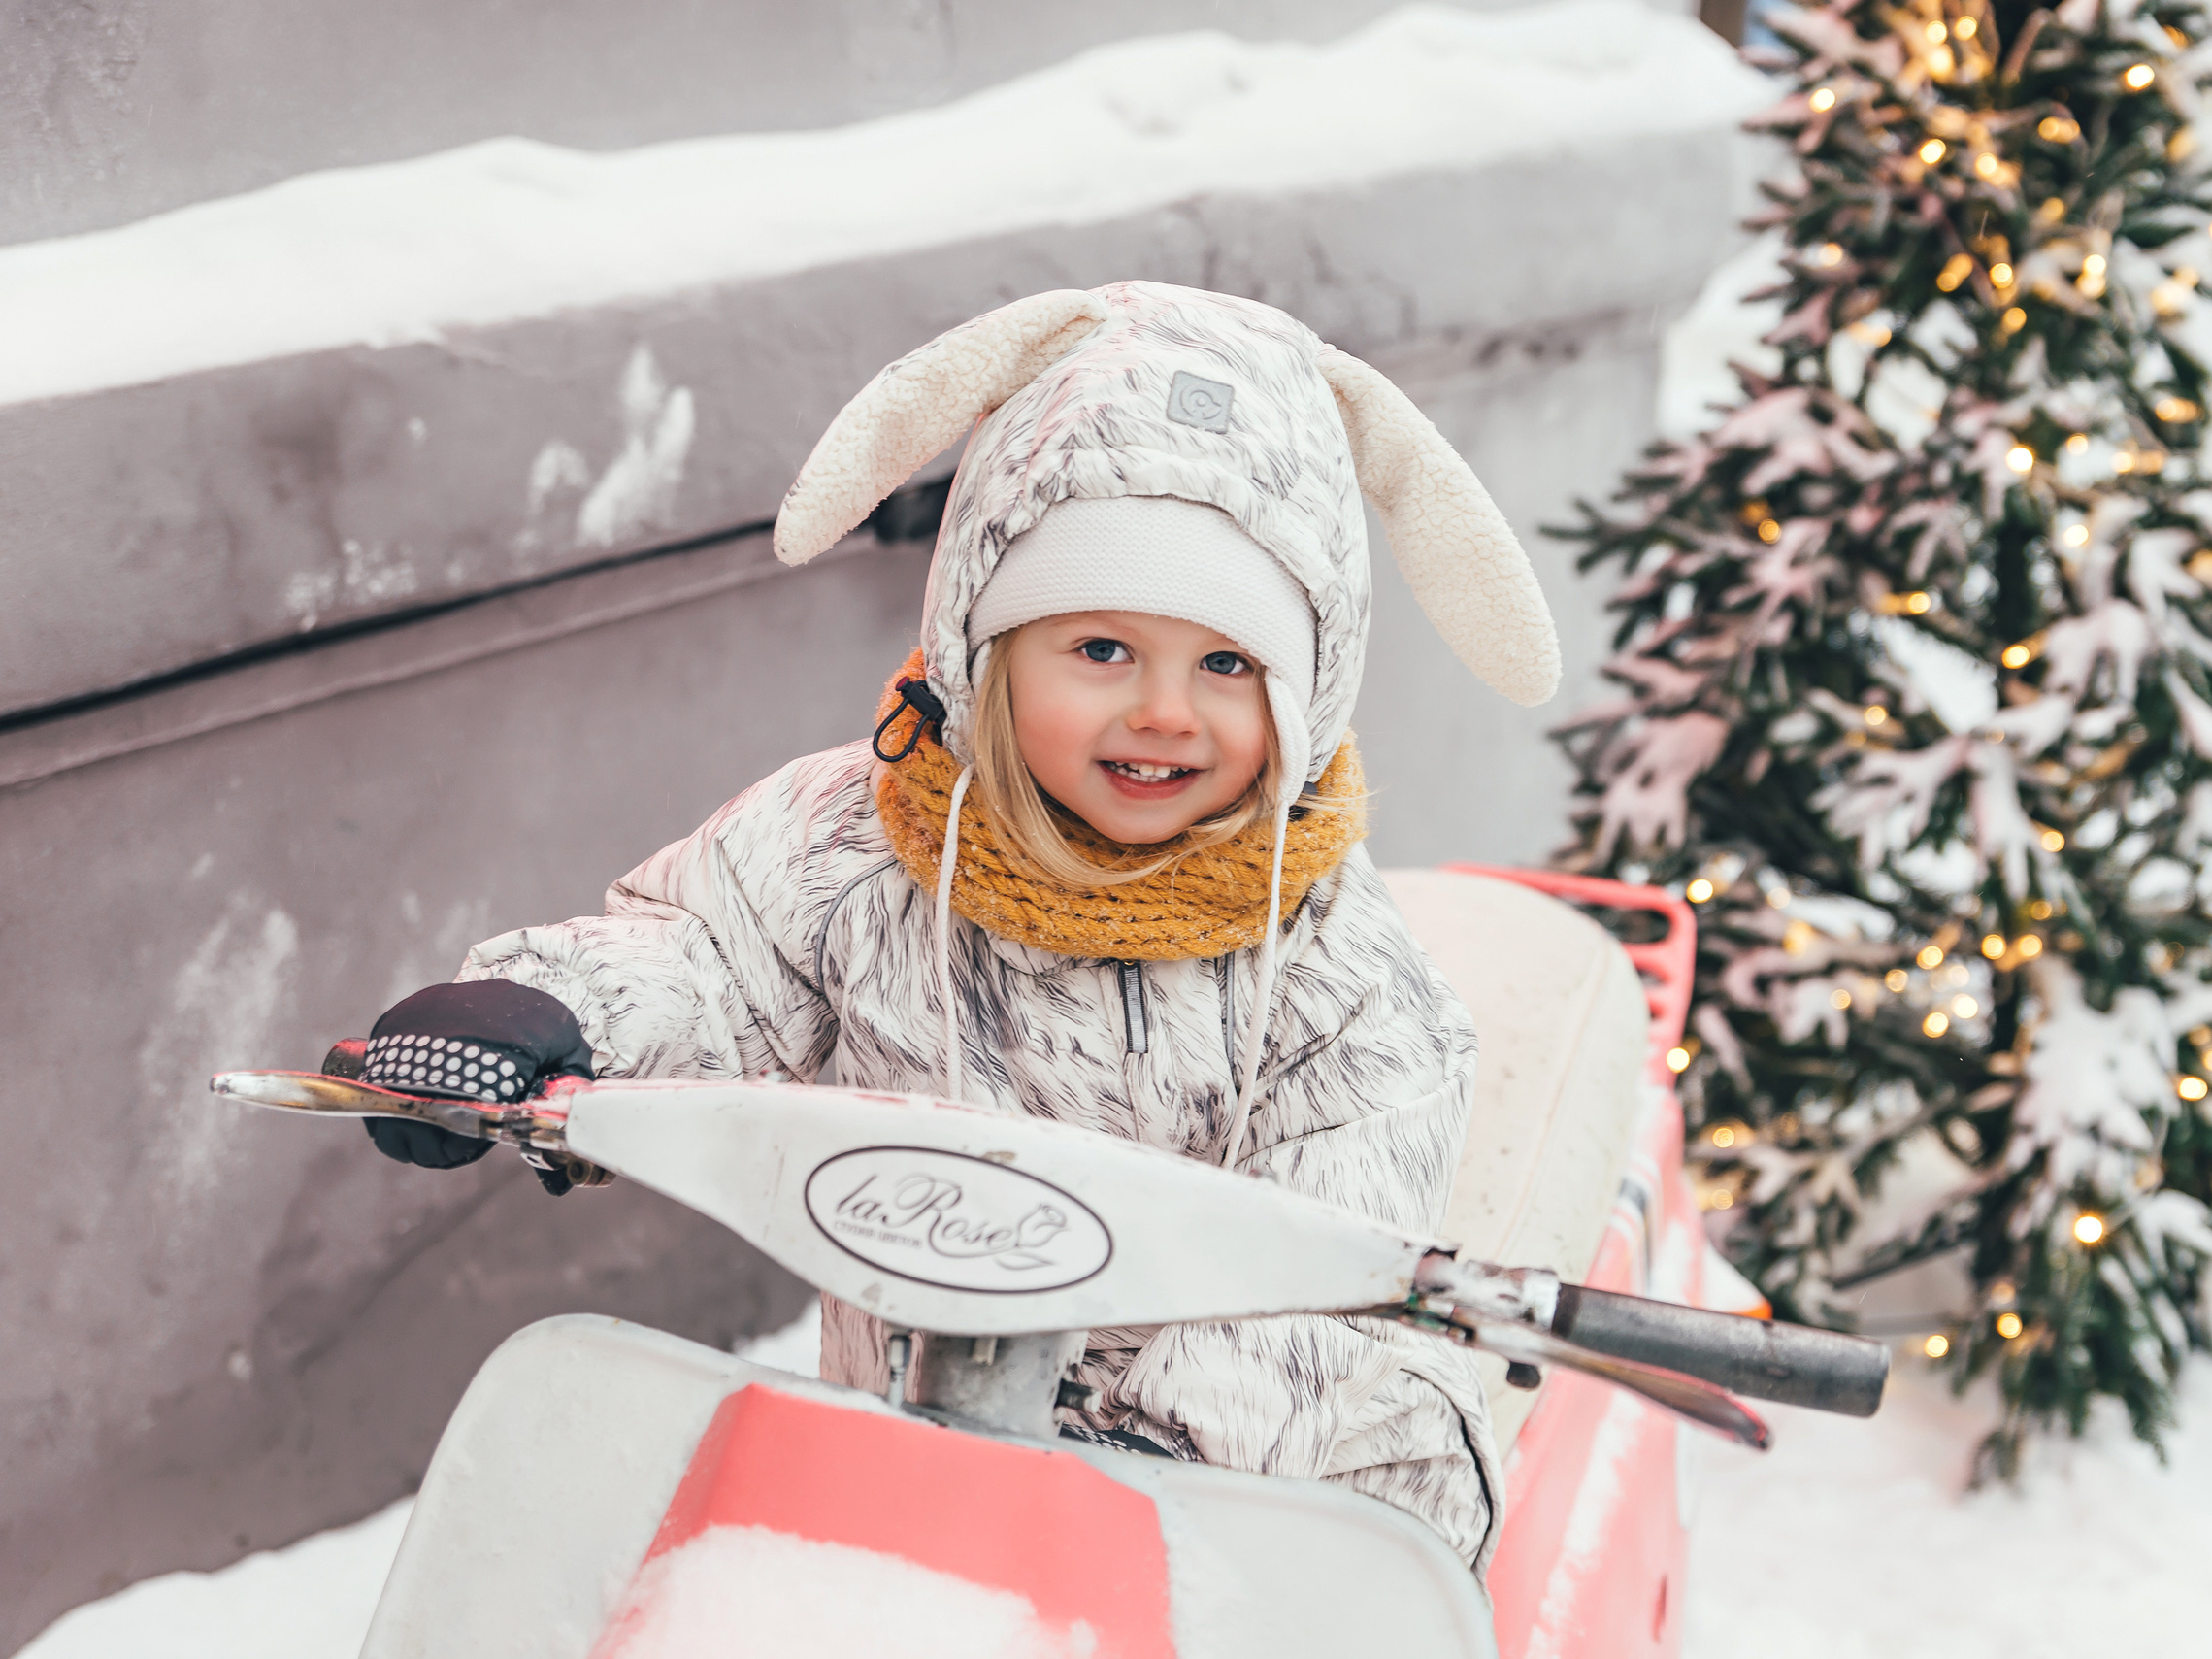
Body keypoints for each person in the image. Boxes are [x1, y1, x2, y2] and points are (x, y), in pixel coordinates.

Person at [354, 281, 1561, 1571]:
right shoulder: (862, 845)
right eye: (1102, 647)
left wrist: (1155, 1462)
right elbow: (710, 960)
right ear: (985, 654)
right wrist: (554, 1012)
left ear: (1305, 692)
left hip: (1264, 1520)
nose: (1165, 711)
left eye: (1227, 664)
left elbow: (1322, 1279)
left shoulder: (1346, 977)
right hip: (926, 1466)